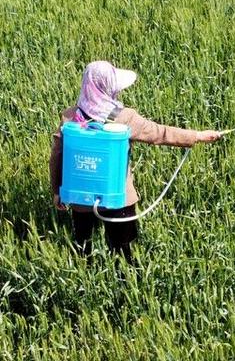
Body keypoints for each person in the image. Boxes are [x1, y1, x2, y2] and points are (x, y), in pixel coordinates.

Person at [49, 60, 221, 264]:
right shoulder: (124, 118)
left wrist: (57, 191)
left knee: (82, 246)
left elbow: (56, 158)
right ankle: (125, 285)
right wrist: (197, 136)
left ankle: (86, 277)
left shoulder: (70, 118)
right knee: (124, 251)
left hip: (80, 199)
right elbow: (160, 133)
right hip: (118, 198)